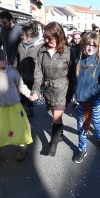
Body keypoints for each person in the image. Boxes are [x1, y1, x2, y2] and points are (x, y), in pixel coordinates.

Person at [30, 21, 72, 157]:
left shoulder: (68, 51)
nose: (47, 41)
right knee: (56, 115)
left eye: (50, 38)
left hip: (62, 89)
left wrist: (72, 93)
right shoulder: (42, 50)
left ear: (58, 35)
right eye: (45, 37)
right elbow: (38, 72)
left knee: (56, 117)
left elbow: (73, 74)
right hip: (48, 89)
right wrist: (36, 90)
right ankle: (59, 135)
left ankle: (53, 143)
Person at [73, 31, 100, 163]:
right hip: (81, 101)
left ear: (98, 47)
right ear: (84, 44)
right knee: (81, 126)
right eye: (88, 45)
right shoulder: (78, 59)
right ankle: (82, 149)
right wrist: (74, 92)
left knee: (97, 123)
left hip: (94, 101)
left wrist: (90, 93)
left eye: (94, 46)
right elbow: (75, 79)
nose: (90, 48)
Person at [13, 22, 44, 117]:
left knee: (37, 92)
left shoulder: (40, 46)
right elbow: (16, 59)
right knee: (27, 93)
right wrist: (14, 70)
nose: (21, 37)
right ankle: (30, 109)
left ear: (29, 36)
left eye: (23, 35)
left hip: (36, 76)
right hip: (24, 75)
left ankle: (48, 105)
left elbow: (44, 61)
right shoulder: (20, 46)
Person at [70, 30, 82, 110]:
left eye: (78, 38)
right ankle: (75, 101)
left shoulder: (83, 46)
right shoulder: (70, 46)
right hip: (72, 68)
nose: (77, 40)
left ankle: (80, 101)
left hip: (80, 68)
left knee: (80, 85)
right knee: (74, 86)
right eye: (75, 38)